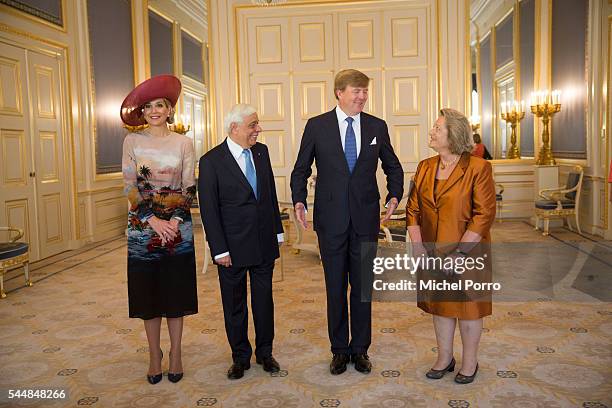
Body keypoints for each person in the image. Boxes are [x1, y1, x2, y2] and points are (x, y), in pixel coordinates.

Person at [291, 69, 404, 375]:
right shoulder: (317, 126)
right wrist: (299, 199)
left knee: (363, 288)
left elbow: (393, 166)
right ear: (339, 92)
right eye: (356, 91)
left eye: (365, 91)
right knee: (336, 288)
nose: (362, 96)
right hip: (331, 221)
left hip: (366, 220)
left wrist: (394, 197)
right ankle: (339, 350)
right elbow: (300, 168)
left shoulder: (376, 126)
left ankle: (361, 350)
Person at [406, 108, 496, 384]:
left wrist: (459, 254)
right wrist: (418, 247)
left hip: (468, 251)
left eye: (437, 128)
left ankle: (470, 363)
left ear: (453, 135)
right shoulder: (424, 166)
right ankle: (445, 358)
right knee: (440, 306)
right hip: (432, 251)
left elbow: (484, 215)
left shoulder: (479, 168)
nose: (431, 131)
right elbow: (413, 209)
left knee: (468, 309)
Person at [120, 74, 197, 384]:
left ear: (169, 109)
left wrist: (173, 222)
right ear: (142, 111)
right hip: (142, 229)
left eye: (160, 105)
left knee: (175, 293)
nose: (154, 110)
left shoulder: (184, 142)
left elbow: (189, 186)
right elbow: (129, 187)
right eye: (149, 106)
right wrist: (153, 220)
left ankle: (176, 352)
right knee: (148, 296)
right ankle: (155, 355)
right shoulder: (131, 141)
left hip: (178, 231)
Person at [199, 104, 284, 380]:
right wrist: (219, 249)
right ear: (234, 128)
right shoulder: (211, 161)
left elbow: (269, 192)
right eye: (253, 125)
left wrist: (277, 230)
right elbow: (209, 210)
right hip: (231, 248)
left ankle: (265, 352)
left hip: (263, 242)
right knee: (234, 304)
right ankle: (240, 357)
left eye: (257, 124)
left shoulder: (262, 152)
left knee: (264, 301)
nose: (258, 130)